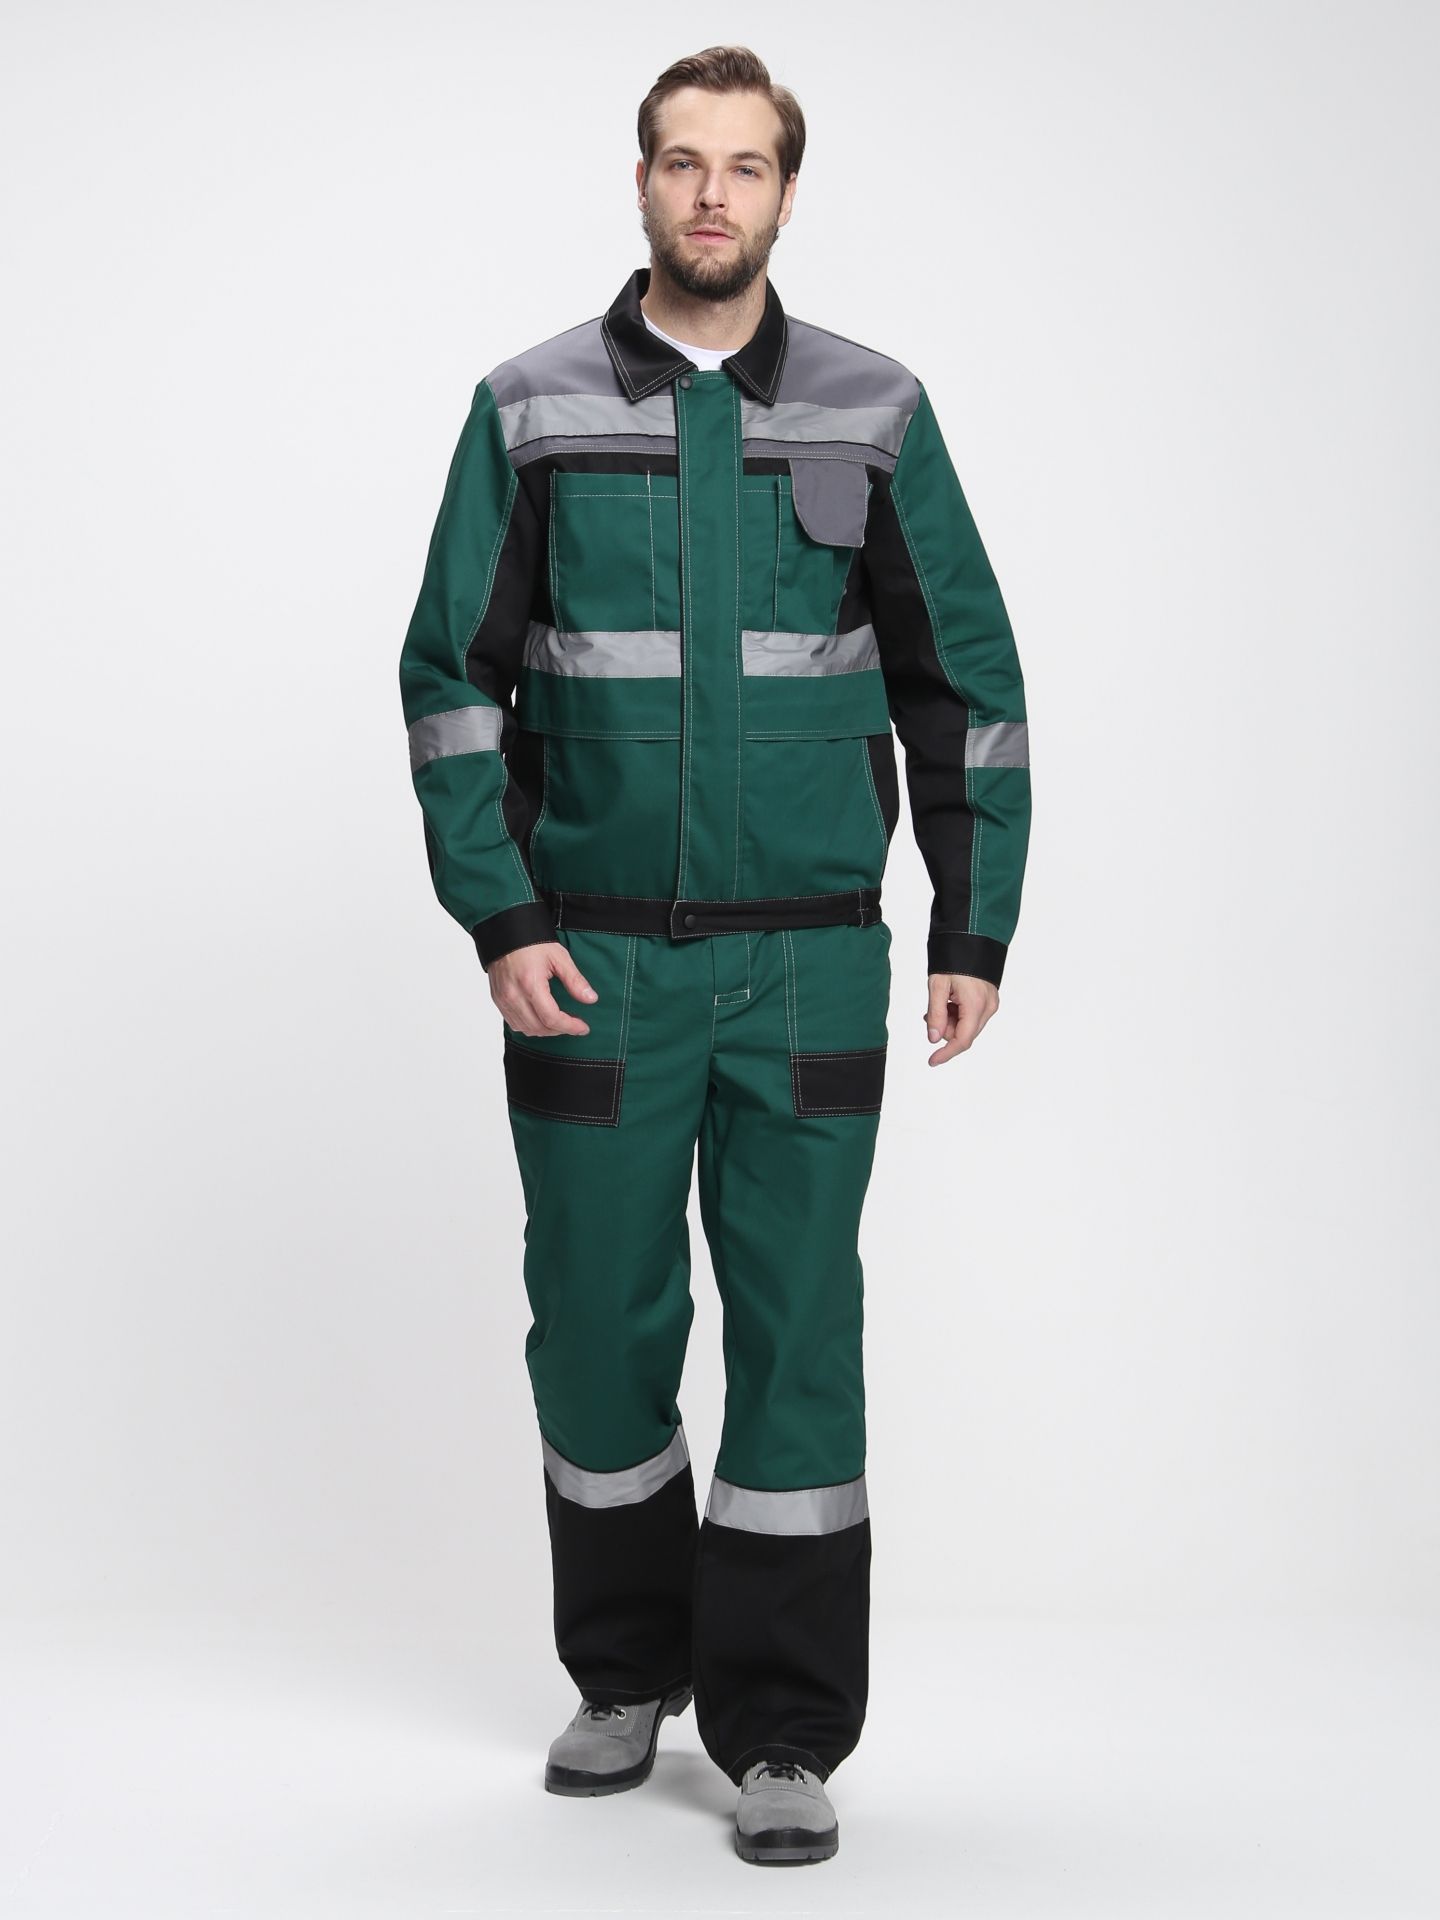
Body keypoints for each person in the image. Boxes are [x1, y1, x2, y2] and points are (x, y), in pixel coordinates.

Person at [398, 43, 1031, 1867]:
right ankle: (624, 1673)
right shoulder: (528, 409)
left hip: (812, 967)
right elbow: (450, 681)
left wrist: (974, 922)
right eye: (684, 162)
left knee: (799, 1330)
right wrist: (502, 914)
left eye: (745, 167)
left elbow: (964, 684)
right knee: (597, 1322)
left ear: (785, 193)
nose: (711, 195)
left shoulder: (874, 411)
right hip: (590, 965)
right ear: (643, 182)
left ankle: (782, 1731)